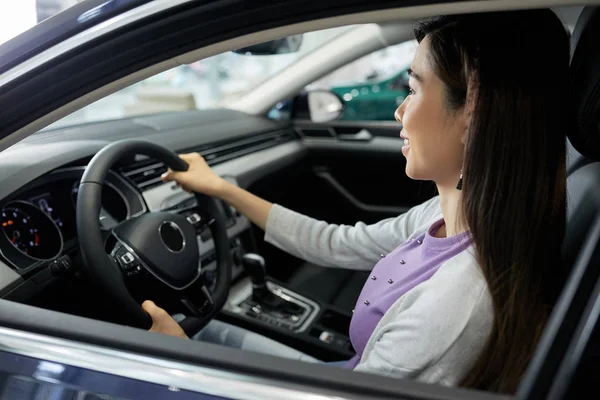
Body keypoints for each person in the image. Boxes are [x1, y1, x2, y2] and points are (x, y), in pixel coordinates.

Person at [141, 9, 569, 394]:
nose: (399, 112)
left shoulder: (454, 307)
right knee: (207, 330)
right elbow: (336, 242)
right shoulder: (451, 214)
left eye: (414, 89)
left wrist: (182, 367)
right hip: (347, 370)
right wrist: (222, 188)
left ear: (472, 111)